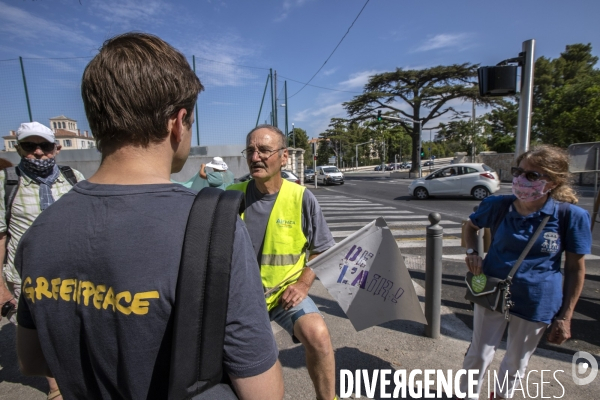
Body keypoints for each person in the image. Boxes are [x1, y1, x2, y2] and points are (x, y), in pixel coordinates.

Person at [16, 32, 283, 400]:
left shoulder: (40, 231)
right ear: (178, 121)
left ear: (95, 123)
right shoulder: (209, 229)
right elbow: (263, 392)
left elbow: (32, 360)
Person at [459, 145, 591, 399]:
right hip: (491, 289)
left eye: (532, 176)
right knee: (479, 352)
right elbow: (470, 227)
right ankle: (465, 394)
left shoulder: (570, 216)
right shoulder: (498, 205)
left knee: (517, 360)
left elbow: (576, 268)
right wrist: (472, 252)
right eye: (519, 172)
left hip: (537, 300)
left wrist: (566, 316)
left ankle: (501, 396)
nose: (520, 180)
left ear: (552, 182)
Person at [227, 125, 337, 400]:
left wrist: (302, 283)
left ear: (284, 157)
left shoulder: (301, 198)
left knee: (318, 335)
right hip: (240, 299)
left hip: (283, 294)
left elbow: (323, 249)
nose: (255, 157)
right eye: (250, 150)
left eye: (264, 150)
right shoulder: (231, 196)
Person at [0, 121, 83, 400]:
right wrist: (1, 289)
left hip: (71, 272)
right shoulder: (6, 183)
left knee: (72, 327)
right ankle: (56, 387)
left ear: (56, 148)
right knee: (42, 332)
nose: (38, 152)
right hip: (26, 275)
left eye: (44, 146)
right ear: (18, 148)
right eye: (29, 146)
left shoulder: (74, 177)